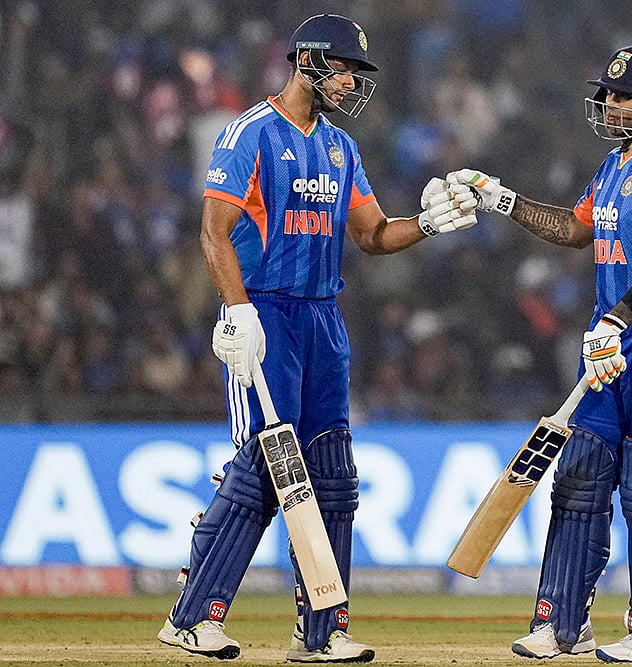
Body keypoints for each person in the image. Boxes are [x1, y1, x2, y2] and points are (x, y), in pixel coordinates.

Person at [156, 14, 474, 662]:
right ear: (306, 60)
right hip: (266, 314)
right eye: (343, 66)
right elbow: (213, 230)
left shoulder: (339, 148)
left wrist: (429, 223)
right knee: (267, 467)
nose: (352, 80)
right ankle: (192, 616)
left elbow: (372, 233)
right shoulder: (249, 132)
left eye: (356, 70)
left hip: (323, 317)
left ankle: (321, 629)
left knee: (332, 475)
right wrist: (236, 310)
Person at [447, 45, 632, 662]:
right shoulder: (616, 164)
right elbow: (574, 227)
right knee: (580, 478)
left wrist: (617, 319)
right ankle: (563, 624)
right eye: (608, 93)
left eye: (622, 95)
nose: (610, 104)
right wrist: (502, 200)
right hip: (610, 337)